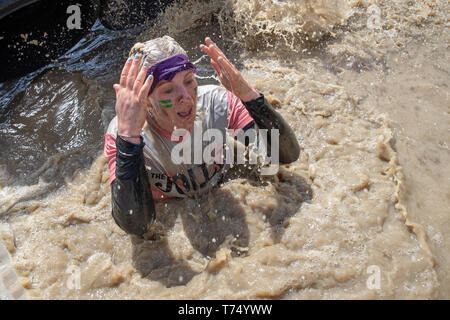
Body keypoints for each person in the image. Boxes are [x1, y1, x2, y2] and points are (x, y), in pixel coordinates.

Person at [104, 35, 300, 237]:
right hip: (169, 203)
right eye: (168, 89)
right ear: (147, 101)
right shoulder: (124, 135)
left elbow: (284, 157)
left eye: (189, 81)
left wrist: (250, 96)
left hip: (221, 184)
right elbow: (137, 226)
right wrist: (129, 138)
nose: (186, 97)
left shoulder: (217, 104)